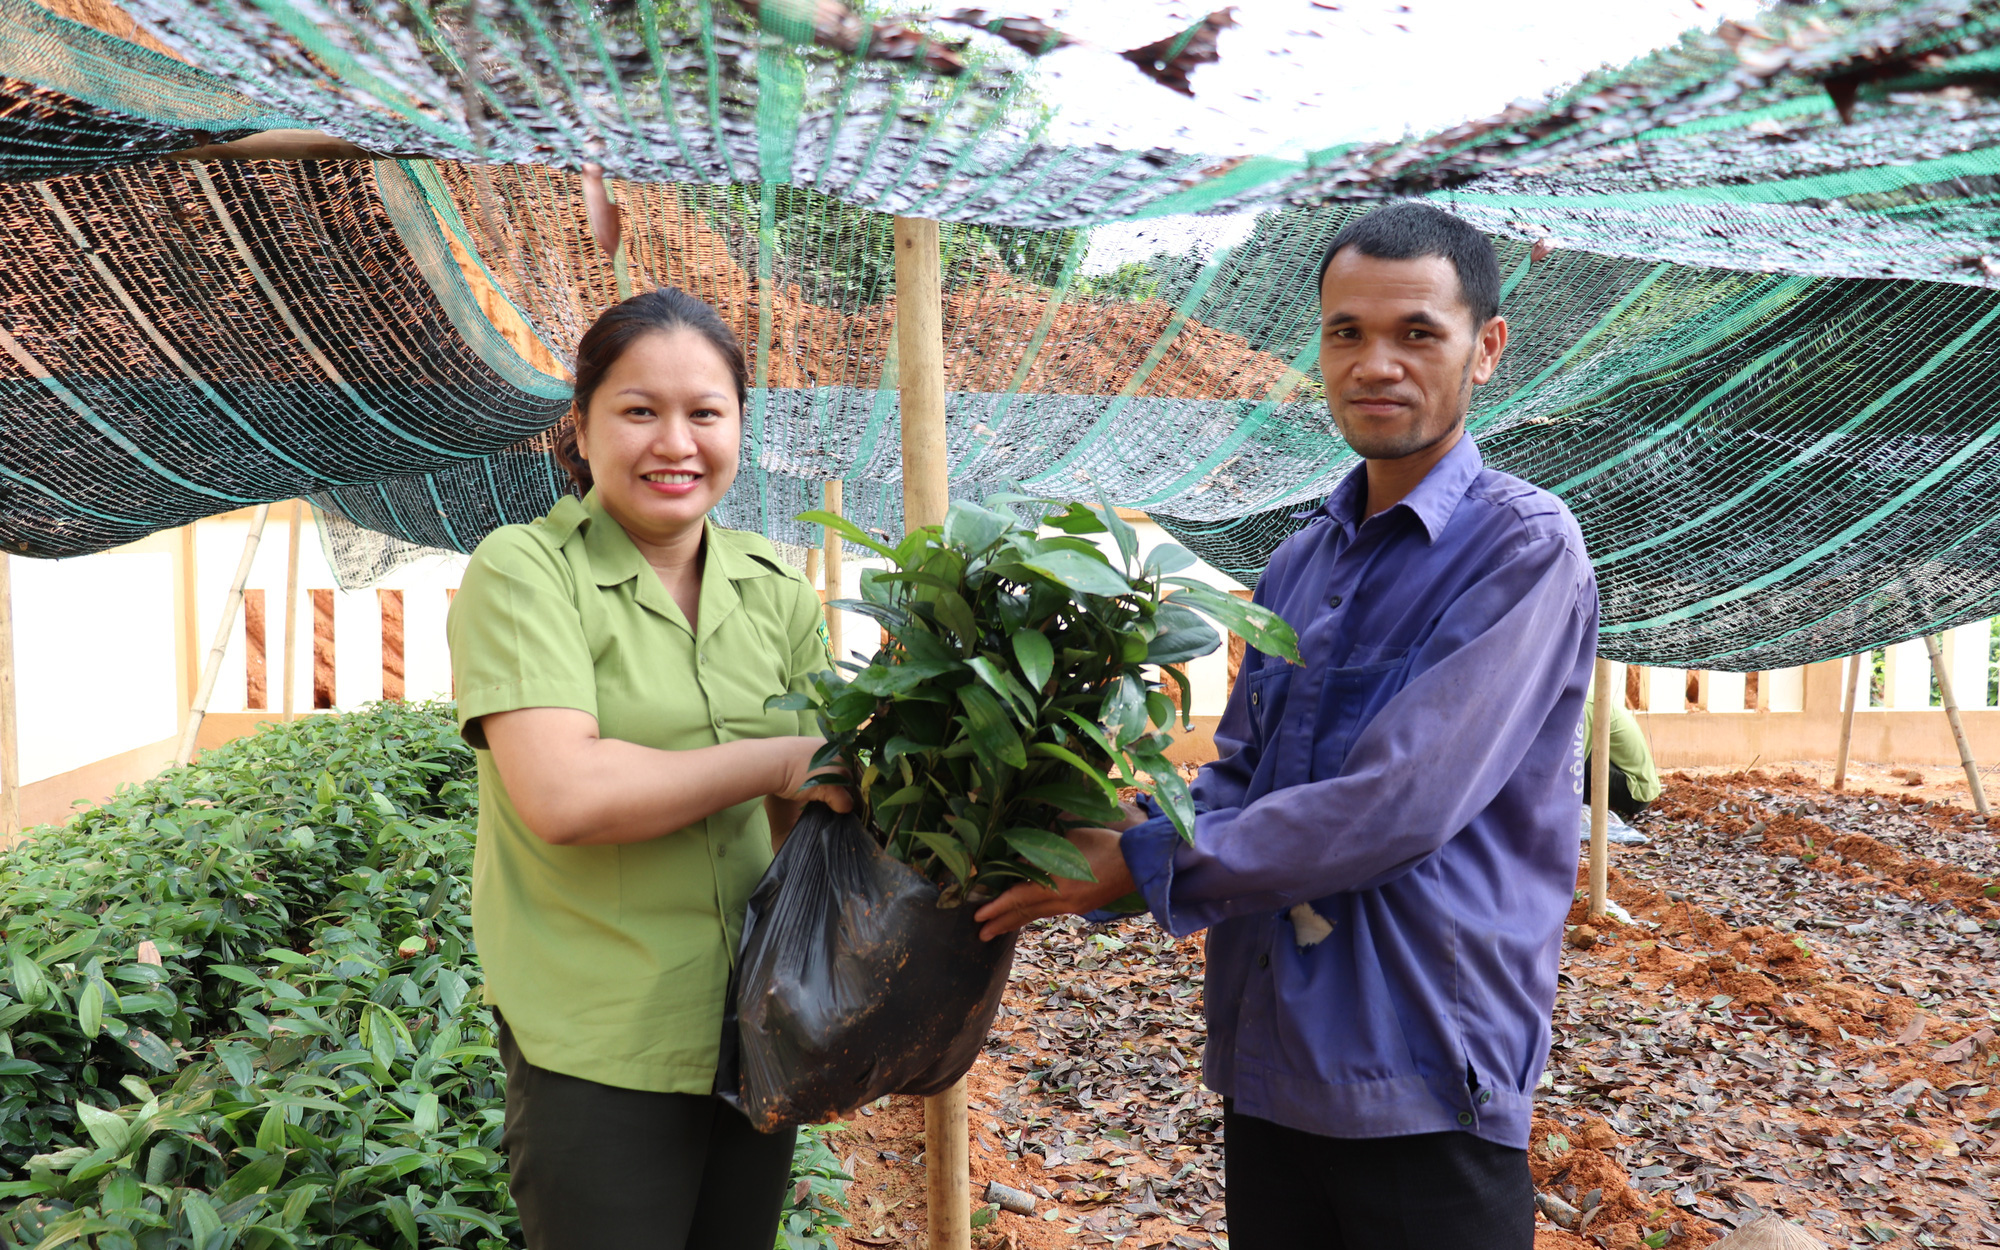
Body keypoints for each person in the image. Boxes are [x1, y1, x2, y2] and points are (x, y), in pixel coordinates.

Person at [976, 202, 1598, 1249]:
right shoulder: (1296, 564)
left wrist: (1137, 861)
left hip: (1422, 1066)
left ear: (1484, 348)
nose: (1375, 363)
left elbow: (1396, 803)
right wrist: (1094, 813)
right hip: (1271, 1060)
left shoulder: (1521, 548)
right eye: (1344, 332)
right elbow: (1240, 774)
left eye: (1415, 333)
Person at [446, 288, 847, 1250]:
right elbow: (566, 793)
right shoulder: (524, 572)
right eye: (639, 411)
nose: (676, 442)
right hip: (600, 1036)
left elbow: (817, 819)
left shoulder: (776, 589)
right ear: (580, 426)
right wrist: (783, 758)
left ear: (739, 428)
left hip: (760, 1022)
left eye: (705, 413)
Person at [1583, 687, 1660, 819]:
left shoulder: (1585, 707)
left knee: (1572, 757)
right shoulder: (1591, 698)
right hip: (1634, 787)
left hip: (1633, 791)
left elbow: (1574, 760)